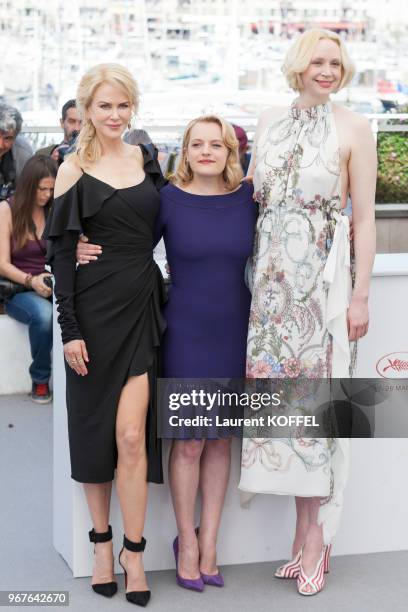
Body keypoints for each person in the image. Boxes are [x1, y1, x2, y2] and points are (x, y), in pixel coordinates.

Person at [77, 115, 257, 592]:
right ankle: (186, 542)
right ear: (185, 150)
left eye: (215, 144)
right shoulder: (168, 200)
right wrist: (75, 246)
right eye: (196, 143)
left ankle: (210, 541)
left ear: (228, 152)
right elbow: (127, 242)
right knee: (192, 441)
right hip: (184, 332)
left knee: (221, 441)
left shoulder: (250, 200)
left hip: (236, 332)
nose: (205, 151)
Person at [238, 29, 377, 596]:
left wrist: (361, 294)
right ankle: (302, 538)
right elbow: (245, 194)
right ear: (298, 64)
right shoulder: (268, 120)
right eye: (318, 61)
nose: (327, 70)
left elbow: (364, 218)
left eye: (336, 63)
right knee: (287, 417)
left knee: (320, 415)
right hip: (269, 297)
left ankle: (319, 541)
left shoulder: (356, 127)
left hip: (321, 295)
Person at [43, 63, 166, 606]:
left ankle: (133, 555)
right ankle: (100, 544)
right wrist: (69, 331)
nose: (114, 115)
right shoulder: (73, 169)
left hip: (141, 303)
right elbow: (60, 254)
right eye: (103, 107)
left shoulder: (145, 158)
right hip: (91, 316)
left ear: (131, 108)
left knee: (133, 437)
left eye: (122, 106)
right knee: (95, 434)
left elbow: (171, 217)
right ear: (86, 111)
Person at [0, 155, 56, 403]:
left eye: (52, 189)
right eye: (42, 189)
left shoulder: (56, 210)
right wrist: (32, 280)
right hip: (20, 289)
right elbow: (2, 263)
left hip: (54, 283)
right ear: (28, 185)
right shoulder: (7, 209)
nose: (47, 195)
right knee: (44, 316)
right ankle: (41, 380)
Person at [0, 103, 33, 199]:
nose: (1, 145)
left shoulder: (24, 153)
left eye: (7, 138)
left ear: (15, 137)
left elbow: (27, 194)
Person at [36, 99, 82, 163]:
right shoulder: (43, 155)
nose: (77, 128)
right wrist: (51, 165)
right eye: (71, 121)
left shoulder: (97, 156)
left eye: (82, 122)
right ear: (62, 123)